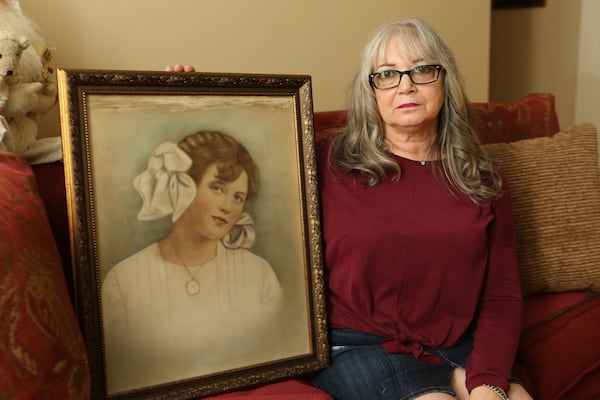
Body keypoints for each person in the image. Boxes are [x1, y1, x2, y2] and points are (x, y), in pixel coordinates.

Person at [167, 17, 532, 400]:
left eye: (422, 69)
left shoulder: (482, 176)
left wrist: (488, 382)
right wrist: (187, 100)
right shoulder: (326, 159)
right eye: (387, 73)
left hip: (457, 338)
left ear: (445, 80)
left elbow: (502, 294)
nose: (405, 84)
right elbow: (237, 155)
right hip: (359, 345)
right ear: (370, 90)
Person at [101, 130, 284, 394]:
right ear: (183, 186)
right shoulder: (123, 280)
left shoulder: (259, 274)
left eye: (238, 197)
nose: (228, 206)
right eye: (217, 188)